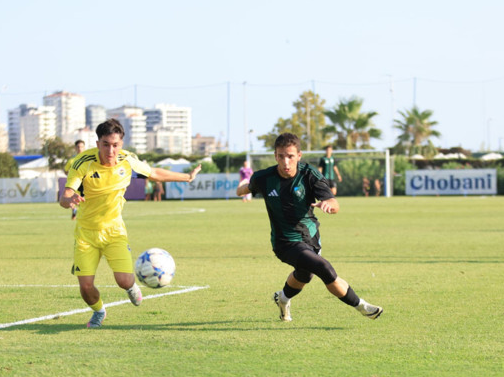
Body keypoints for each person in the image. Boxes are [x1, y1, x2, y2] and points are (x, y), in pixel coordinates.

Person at [59, 118, 201, 328]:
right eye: (106, 145)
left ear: (121, 144)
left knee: (124, 280)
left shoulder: (128, 160)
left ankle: (132, 288)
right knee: (86, 287)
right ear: (98, 143)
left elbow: (154, 173)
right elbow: (65, 196)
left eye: (115, 145)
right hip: (86, 234)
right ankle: (99, 311)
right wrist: (69, 200)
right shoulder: (82, 162)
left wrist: (186, 177)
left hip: (114, 231)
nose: (110, 150)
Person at [237, 132, 383, 322]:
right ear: (275, 156)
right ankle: (363, 306)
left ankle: (282, 298)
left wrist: (329, 205)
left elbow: (334, 202)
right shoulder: (264, 178)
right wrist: (241, 188)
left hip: (311, 236)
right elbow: (245, 189)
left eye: (290, 156)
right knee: (324, 268)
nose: (285, 162)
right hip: (285, 242)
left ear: (299, 155)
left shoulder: (309, 174)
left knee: (305, 276)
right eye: (281, 156)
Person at [63, 139, 86, 220]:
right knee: (74, 199)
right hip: (75, 184)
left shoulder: (88, 159)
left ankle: (79, 212)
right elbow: (65, 170)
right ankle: (74, 210)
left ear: (84, 148)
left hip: (86, 185)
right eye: (78, 147)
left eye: (82, 147)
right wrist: (71, 175)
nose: (80, 148)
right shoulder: (72, 161)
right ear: (75, 148)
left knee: (85, 202)